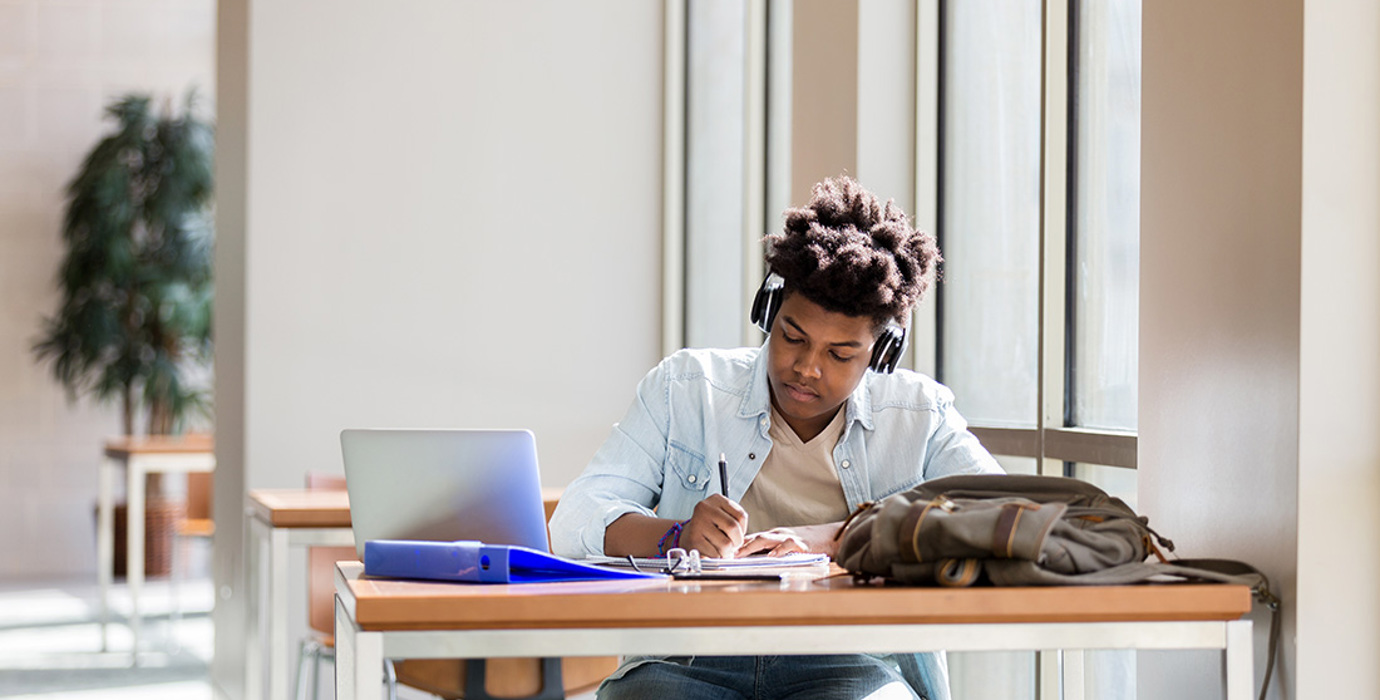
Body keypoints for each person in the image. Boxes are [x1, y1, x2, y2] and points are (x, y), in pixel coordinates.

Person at [549, 176, 1002, 700]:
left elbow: (998, 515)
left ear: (881, 354)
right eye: (792, 336)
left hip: (850, 660)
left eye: (840, 354)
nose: (807, 368)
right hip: (689, 659)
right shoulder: (687, 387)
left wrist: (843, 537)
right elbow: (577, 518)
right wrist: (677, 537)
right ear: (769, 310)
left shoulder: (918, 414)